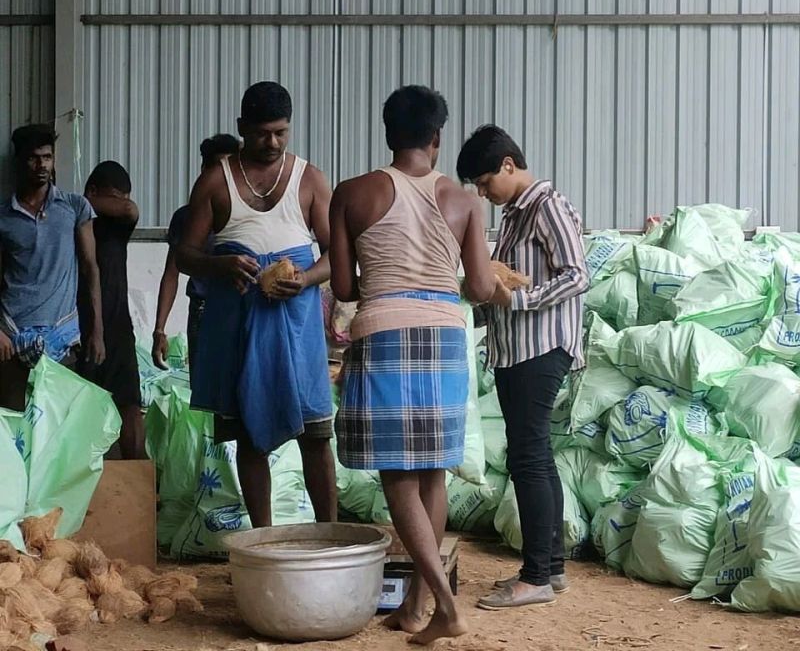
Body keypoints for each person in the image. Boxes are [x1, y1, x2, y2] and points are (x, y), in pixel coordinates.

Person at [330, 85, 496, 644]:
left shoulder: (352, 193)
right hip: (447, 335)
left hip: (384, 330)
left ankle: (445, 606)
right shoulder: (466, 201)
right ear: (437, 138)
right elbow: (478, 286)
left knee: (398, 472)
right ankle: (417, 608)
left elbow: (346, 285)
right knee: (431, 470)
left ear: (386, 134)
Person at [177, 81, 336, 528]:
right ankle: (263, 537)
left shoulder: (309, 179)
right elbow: (184, 254)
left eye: (281, 133)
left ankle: (330, 533)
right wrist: (220, 265)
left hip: (297, 326)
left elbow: (337, 254)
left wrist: (305, 278)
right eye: (263, 133)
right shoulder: (216, 180)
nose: (272, 142)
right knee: (249, 435)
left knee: (317, 435)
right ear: (242, 128)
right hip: (237, 326)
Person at [456, 125, 589, 610]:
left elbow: (577, 275)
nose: (482, 193)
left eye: (486, 182)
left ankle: (533, 578)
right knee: (535, 454)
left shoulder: (546, 206)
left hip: (540, 348)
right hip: (516, 350)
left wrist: (517, 299)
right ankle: (550, 569)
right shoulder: (515, 214)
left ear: (508, 165)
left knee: (528, 458)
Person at [0, 125, 105, 410]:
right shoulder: (4, 216)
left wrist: (96, 331)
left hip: (63, 338)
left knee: (58, 428)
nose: (42, 165)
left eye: (47, 157)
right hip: (12, 337)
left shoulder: (74, 207)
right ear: (21, 161)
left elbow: (90, 268)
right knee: (14, 430)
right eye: (34, 158)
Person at [151, 133, 240, 370]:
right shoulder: (186, 217)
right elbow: (172, 273)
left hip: (241, 309)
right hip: (203, 310)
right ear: (204, 170)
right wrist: (159, 329)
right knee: (205, 394)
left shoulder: (248, 214)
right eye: (217, 169)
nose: (224, 179)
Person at [76, 161, 144, 459]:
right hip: (80, 326)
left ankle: (137, 473)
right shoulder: (75, 223)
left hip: (117, 325)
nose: (123, 202)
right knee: (85, 404)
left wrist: (81, 201)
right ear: (94, 190)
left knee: (129, 402)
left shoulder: (117, 224)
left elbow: (131, 210)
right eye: (116, 196)